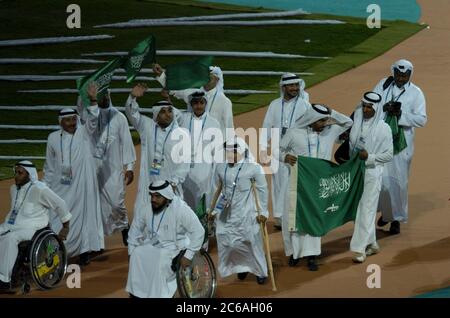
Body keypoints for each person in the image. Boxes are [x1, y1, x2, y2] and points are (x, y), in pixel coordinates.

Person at [279, 104, 353, 271]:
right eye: (321, 121)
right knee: (295, 218)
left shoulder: (330, 131)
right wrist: (285, 156)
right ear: (311, 120)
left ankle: (312, 255)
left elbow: (348, 123)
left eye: (326, 120)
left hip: (318, 183)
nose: (325, 123)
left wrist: (332, 112)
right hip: (297, 182)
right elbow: (278, 149)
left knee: (315, 216)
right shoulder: (294, 133)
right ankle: (295, 253)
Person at [44, 83, 104, 265]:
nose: (71, 123)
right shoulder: (53, 138)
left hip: (80, 187)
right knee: (56, 219)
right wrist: (45, 186)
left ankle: (83, 250)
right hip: (60, 186)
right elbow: (49, 165)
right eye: (67, 120)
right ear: (60, 122)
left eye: (73, 119)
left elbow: (93, 119)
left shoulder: (83, 133)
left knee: (81, 219)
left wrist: (93, 100)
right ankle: (55, 253)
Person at [373, 59, 427, 234]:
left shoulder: (416, 93)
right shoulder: (383, 85)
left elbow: (421, 120)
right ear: (393, 72)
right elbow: (372, 105)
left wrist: (401, 114)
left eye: (405, 76)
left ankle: (396, 219)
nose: (401, 78)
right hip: (381, 140)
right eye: (398, 74)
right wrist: (384, 108)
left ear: (410, 75)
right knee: (380, 180)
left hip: (401, 144)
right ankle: (387, 214)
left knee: (399, 183)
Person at [126, 180, 204, 298]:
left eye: (157, 196)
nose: (153, 200)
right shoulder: (146, 209)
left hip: (176, 247)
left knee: (159, 259)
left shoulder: (181, 209)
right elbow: (135, 230)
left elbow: (199, 231)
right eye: (152, 196)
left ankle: (158, 295)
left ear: (167, 196)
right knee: (137, 254)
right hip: (154, 245)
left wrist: (188, 255)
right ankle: (137, 293)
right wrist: (131, 250)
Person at [0, 161, 71, 290]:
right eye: (15, 172)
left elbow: (60, 204)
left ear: (29, 174)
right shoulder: (13, 189)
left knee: (10, 239)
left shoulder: (40, 189)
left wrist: (65, 227)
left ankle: (5, 279)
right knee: (6, 235)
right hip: (12, 225)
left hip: (34, 228)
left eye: (20, 173)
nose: (16, 175)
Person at [77, 89, 136, 245]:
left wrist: (129, 167)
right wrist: (86, 94)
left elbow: (127, 143)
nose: (104, 98)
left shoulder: (119, 117)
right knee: (93, 206)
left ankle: (124, 226)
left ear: (110, 96)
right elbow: (79, 108)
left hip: (113, 168)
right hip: (91, 168)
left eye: (106, 95)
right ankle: (96, 241)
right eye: (100, 95)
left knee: (117, 203)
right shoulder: (88, 115)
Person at [210, 137, 269, 284]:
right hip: (226, 213)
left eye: (234, 152)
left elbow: (262, 192)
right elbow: (218, 189)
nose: (230, 155)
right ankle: (241, 267)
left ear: (243, 151)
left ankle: (260, 271)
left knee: (250, 241)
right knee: (228, 242)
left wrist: (262, 213)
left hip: (247, 213)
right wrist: (212, 210)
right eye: (228, 151)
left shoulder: (254, 168)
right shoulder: (220, 167)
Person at [124, 83, 190, 212]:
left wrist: (174, 182)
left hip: (171, 184)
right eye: (163, 112)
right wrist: (132, 97)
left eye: (170, 111)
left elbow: (185, 163)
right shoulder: (147, 127)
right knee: (147, 216)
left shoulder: (182, 134)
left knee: (173, 218)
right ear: (156, 115)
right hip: (149, 182)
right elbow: (131, 113)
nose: (168, 114)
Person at [260, 73, 310, 230]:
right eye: (291, 86)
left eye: (296, 85)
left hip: (295, 149)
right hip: (277, 149)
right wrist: (262, 148)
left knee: (292, 181)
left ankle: (291, 214)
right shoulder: (274, 104)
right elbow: (267, 125)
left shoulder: (304, 104)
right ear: (284, 87)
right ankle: (279, 216)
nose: (295, 88)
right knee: (277, 182)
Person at [348, 92, 393, 262]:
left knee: (366, 209)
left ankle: (359, 249)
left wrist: (370, 157)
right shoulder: (356, 122)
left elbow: (389, 155)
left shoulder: (384, 128)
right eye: (364, 106)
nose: (366, 110)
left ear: (377, 108)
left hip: (372, 173)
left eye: (369, 107)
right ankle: (372, 244)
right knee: (361, 208)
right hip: (354, 172)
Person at [152, 63, 234, 140]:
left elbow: (229, 126)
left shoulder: (225, 101)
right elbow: (175, 88)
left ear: (217, 80)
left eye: (210, 77)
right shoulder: (193, 93)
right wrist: (161, 74)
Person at [179, 91, 222, 211]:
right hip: (185, 166)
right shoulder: (183, 119)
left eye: (201, 103)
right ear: (191, 105)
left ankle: (205, 224)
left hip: (205, 167)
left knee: (204, 197)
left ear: (205, 104)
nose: (198, 106)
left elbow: (217, 151)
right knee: (186, 197)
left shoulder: (214, 123)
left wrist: (217, 171)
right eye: (196, 103)